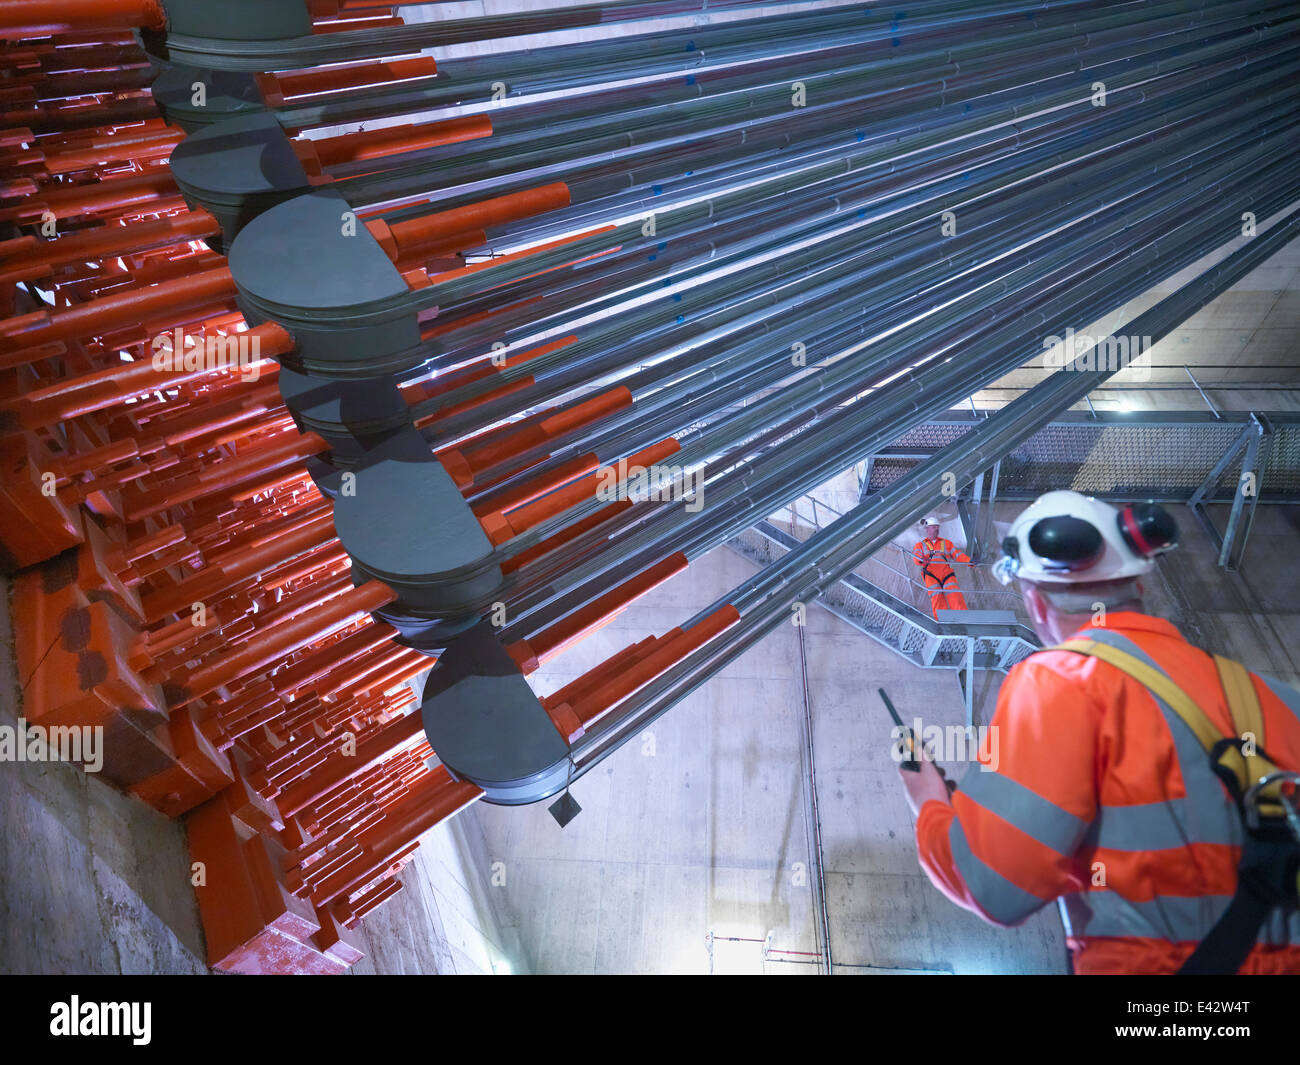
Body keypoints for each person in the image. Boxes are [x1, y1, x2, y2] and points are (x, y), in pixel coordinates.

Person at [898, 490, 1300, 974]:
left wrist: (929, 802)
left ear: (1036, 602)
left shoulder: (1059, 682)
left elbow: (993, 886)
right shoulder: (1277, 699)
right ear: (1139, 587)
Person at [911, 517, 970, 620]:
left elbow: (957, 554)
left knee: (955, 597)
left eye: (937, 527)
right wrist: (922, 559)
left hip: (946, 574)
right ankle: (942, 624)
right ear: (927, 529)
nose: (936, 529)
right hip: (931, 575)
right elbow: (916, 557)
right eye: (934, 527)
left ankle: (964, 621)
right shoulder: (920, 545)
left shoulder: (946, 543)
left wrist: (970, 561)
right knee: (937, 599)